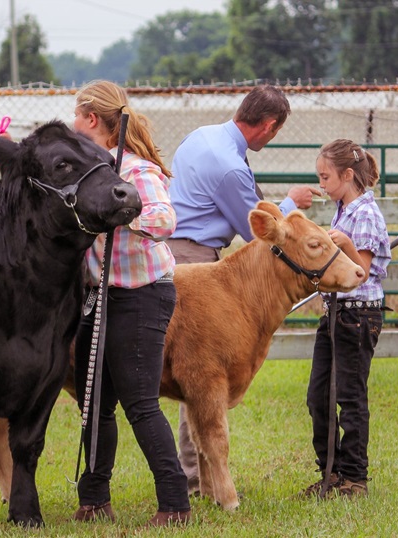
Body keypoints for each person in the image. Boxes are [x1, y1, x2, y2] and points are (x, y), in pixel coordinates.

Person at [166, 84, 322, 494]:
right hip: (194, 260)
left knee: (191, 371)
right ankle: (197, 477)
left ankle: (198, 475)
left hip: (171, 252)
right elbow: (253, 229)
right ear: (269, 126)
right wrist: (290, 204)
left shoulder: (201, 136)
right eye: (276, 131)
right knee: (203, 371)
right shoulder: (231, 166)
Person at [69, 80, 191, 527]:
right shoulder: (90, 171)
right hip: (100, 296)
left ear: (91, 119)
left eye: (75, 116)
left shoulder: (134, 170)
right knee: (93, 400)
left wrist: (122, 210)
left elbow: (164, 219)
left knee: (140, 402)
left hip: (141, 295)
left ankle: (176, 504)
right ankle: (95, 498)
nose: (71, 125)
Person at [301, 138, 391, 498]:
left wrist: (344, 245)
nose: (321, 184)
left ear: (348, 174)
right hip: (334, 313)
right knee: (318, 396)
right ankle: (331, 473)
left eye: (325, 177)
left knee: (350, 397)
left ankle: (355, 478)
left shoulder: (366, 214)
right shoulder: (343, 210)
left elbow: (362, 272)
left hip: (358, 316)